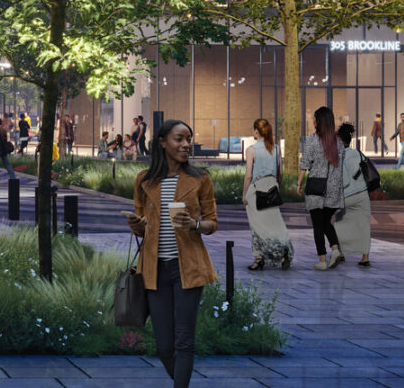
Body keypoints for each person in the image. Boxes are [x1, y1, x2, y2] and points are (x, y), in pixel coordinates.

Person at [125, 118, 218, 388]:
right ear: (163, 143)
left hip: (188, 267)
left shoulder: (200, 178)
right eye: (179, 139)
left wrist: (196, 224)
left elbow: (212, 222)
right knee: (164, 346)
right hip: (154, 270)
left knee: (184, 341)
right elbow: (143, 230)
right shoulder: (144, 180)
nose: (186, 144)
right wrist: (136, 226)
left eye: (188, 139)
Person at [299, 105, 345, 270]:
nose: (312, 121)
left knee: (318, 225)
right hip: (334, 189)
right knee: (326, 222)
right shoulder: (339, 143)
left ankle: (322, 260)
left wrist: (298, 183)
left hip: (316, 188)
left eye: (314, 119)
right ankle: (335, 249)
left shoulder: (311, 140)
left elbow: (304, 164)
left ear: (318, 122)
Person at [241, 118, 292, 270]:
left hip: (256, 191)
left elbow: (248, 175)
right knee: (275, 223)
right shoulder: (276, 149)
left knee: (257, 226)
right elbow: (280, 173)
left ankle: (259, 258)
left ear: (256, 131)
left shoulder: (251, 150)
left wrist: (244, 195)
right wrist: (277, 187)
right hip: (272, 188)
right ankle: (283, 253)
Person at [334, 122, 374, 267]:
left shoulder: (338, 156)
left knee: (340, 223)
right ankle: (365, 258)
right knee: (364, 225)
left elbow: (341, 179)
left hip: (346, 196)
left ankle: (341, 252)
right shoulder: (357, 153)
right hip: (362, 194)